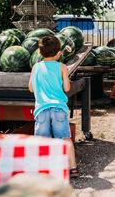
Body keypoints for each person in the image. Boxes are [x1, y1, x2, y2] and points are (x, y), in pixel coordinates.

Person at [28, 35, 78, 178]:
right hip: (58, 108)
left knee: (41, 141)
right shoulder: (62, 67)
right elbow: (67, 88)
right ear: (59, 53)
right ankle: (72, 168)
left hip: (42, 109)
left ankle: (41, 170)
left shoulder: (36, 67)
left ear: (39, 53)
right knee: (65, 138)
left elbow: (31, 88)